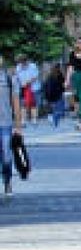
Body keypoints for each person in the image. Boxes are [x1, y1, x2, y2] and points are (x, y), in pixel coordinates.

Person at [1, 56, 23, 198]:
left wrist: (18, 125)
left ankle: (7, 182)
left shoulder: (10, 79)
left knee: (6, 155)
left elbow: (16, 103)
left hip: (5, 123)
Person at [15, 54, 40, 125]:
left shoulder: (33, 66)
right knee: (23, 104)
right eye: (19, 62)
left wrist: (27, 82)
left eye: (22, 62)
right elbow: (17, 77)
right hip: (23, 88)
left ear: (25, 61)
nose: (20, 64)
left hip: (33, 88)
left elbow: (35, 77)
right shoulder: (18, 67)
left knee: (33, 104)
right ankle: (23, 120)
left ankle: (34, 119)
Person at [43, 63, 67, 128]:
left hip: (50, 95)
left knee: (54, 108)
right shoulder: (60, 75)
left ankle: (53, 118)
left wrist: (46, 95)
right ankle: (55, 120)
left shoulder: (49, 76)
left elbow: (45, 86)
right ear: (59, 68)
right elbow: (63, 84)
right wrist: (63, 90)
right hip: (58, 94)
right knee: (59, 108)